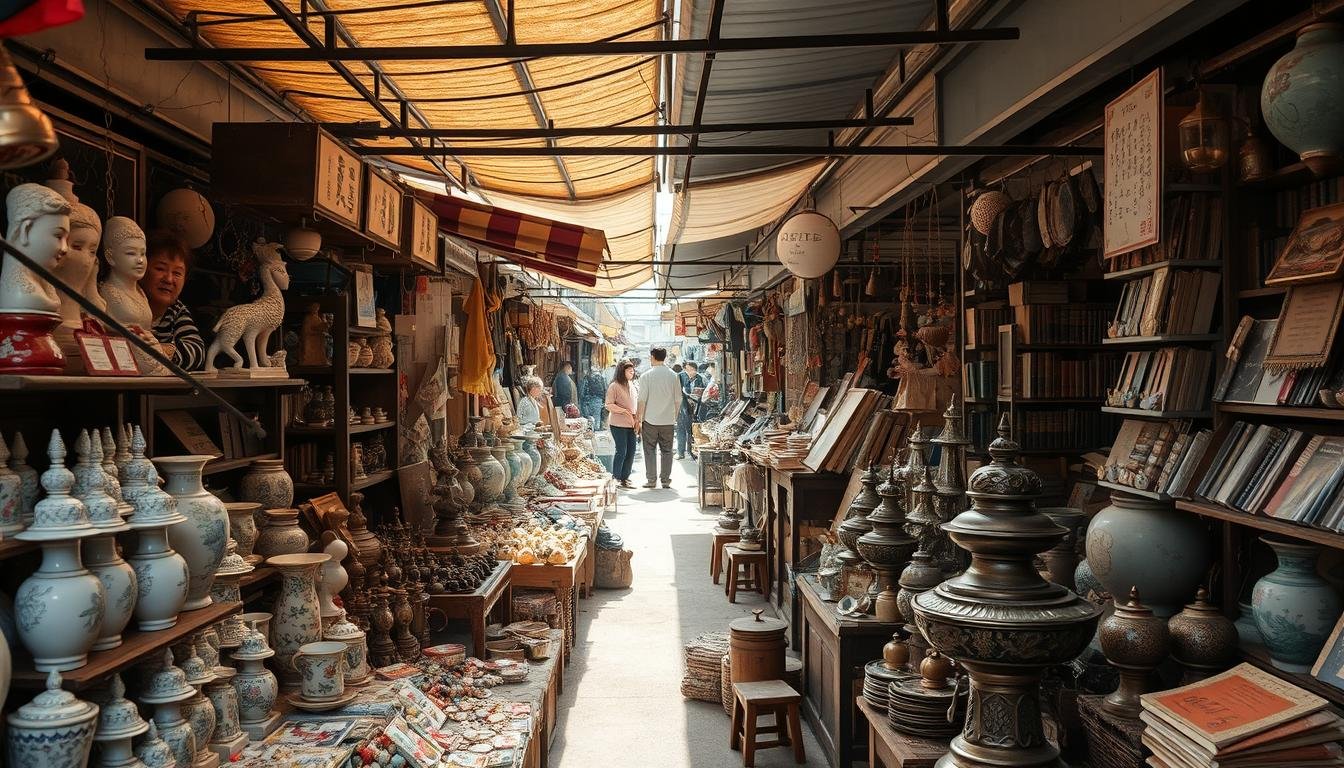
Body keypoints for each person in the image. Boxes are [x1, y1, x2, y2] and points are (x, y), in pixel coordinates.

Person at [140, 230, 205, 371]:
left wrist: (165, 350)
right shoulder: (126, 300)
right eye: (160, 268)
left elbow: (197, 351)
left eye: (177, 273)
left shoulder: (176, 310)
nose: (169, 279)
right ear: (142, 268)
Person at [634, 346, 681, 489]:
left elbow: (641, 400)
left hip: (650, 421)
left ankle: (651, 480)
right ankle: (665, 481)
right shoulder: (674, 376)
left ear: (653, 357)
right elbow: (678, 399)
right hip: (668, 421)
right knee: (667, 451)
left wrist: (638, 419)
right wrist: (674, 416)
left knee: (649, 451)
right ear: (665, 357)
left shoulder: (646, 376)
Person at [604, 360, 639, 489]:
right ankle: (616, 477)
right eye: (629, 371)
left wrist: (637, 420)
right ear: (622, 372)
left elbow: (635, 404)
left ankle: (625, 478)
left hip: (631, 424)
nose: (632, 373)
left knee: (631, 451)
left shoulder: (632, 385)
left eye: (633, 371)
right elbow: (608, 404)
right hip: (618, 424)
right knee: (621, 451)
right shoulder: (614, 386)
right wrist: (623, 411)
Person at [676, 361, 704, 459]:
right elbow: (677, 391)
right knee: (681, 429)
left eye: (692, 370)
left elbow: (701, 391)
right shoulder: (680, 376)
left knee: (692, 430)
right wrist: (687, 397)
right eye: (687, 370)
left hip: (695, 407)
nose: (690, 372)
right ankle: (680, 452)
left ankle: (692, 451)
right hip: (682, 406)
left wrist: (696, 398)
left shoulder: (699, 378)